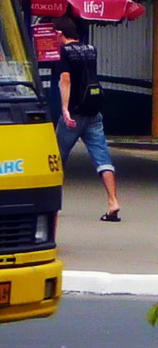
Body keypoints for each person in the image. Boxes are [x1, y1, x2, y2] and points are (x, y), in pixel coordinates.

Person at [52, 15, 121, 221]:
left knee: (57, 159)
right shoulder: (90, 49)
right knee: (102, 158)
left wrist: (65, 110)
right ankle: (113, 201)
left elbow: (66, 80)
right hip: (93, 113)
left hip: (73, 114)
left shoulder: (63, 53)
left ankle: (53, 204)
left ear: (59, 33)